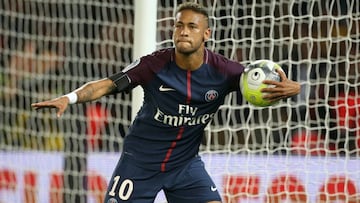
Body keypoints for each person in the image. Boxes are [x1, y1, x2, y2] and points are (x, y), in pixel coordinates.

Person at [32, 2, 300, 203]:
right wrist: (70, 97)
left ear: (206, 34)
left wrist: (295, 87)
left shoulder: (225, 71)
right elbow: (108, 83)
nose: (183, 32)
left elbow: (260, 85)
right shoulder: (154, 64)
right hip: (139, 163)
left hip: (185, 165)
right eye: (179, 25)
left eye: (192, 27)